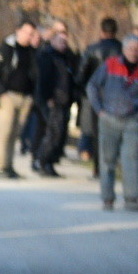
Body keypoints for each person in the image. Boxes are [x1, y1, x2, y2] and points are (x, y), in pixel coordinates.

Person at [86, 34, 138, 211]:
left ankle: (131, 198)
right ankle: (107, 197)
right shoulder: (111, 64)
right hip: (109, 119)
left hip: (132, 121)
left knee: (132, 160)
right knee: (107, 160)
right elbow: (92, 86)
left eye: (137, 50)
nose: (134, 53)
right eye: (131, 49)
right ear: (124, 49)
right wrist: (100, 110)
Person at [0, 20, 40, 179]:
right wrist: (1, 93)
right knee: (5, 132)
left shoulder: (32, 51)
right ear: (18, 31)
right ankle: (2, 167)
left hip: (25, 98)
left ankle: (9, 166)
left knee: (15, 134)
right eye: (27, 32)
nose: (29, 36)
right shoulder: (7, 48)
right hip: (8, 96)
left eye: (32, 34)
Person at [78, 18, 124, 169]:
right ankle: (112, 162)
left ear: (102, 31)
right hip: (117, 96)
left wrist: (82, 90)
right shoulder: (122, 50)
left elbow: (82, 73)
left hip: (96, 95)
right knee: (116, 131)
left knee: (98, 132)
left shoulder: (92, 49)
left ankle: (99, 166)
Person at [33, 29, 80, 176]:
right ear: (53, 41)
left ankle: (51, 162)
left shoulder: (66, 57)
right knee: (53, 133)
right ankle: (42, 161)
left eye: (65, 42)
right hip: (53, 100)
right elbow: (43, 80)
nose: (64, 45)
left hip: (65, 100)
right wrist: (48, 98)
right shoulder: (47, 56)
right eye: (61, 41)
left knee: (60, 134)